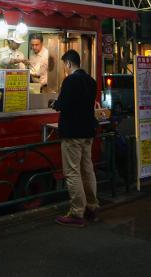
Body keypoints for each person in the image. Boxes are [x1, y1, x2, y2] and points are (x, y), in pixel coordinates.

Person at [52, 50, 98, 227]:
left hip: (72, 133)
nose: (65, 68)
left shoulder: (70, 80)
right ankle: (92, 208)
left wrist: (54, 103)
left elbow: (63, 104)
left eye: (65, 65)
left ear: (69, 64)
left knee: (72, 172)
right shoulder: (91, 81)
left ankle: (77, 213)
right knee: (87, 170)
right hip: (88, 132)